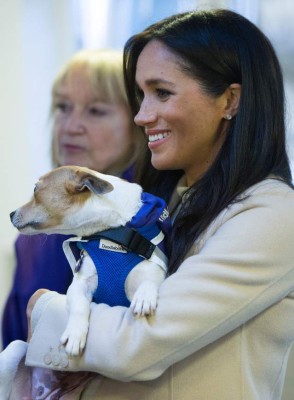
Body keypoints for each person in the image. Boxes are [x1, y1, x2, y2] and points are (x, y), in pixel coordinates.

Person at [4, 8, 294, 400]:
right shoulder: (163, 203)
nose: (142, 115)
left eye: (162, 92)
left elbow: (140, 341)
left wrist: (45, 310)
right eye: (140, 95)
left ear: (230, 100)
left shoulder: (274, 215)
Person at [1, 48, 143, 348]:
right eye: (63, 107)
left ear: (139, 122)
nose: (70, 126)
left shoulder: (151, 216)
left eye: (96, 110)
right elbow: (15, 346)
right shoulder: (32, 234)